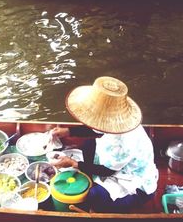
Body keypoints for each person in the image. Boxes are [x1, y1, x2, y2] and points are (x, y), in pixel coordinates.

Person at [50, 76, 158, 213]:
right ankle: (89, 176)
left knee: (95, 195)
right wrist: (67, 131)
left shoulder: (122, 141)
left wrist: (73, 164)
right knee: (88, 144)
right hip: (117, 164)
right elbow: (94, 128)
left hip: (134, 182)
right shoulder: (115, 121)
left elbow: (108, 171)